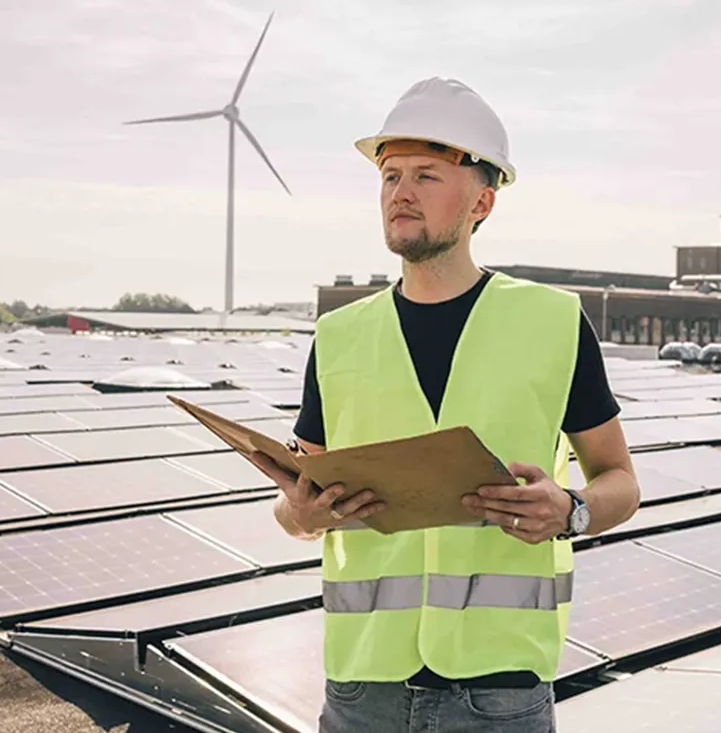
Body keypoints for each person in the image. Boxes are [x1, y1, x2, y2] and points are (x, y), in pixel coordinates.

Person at [250, 77, 640, 733]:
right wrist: (300, 511)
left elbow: (620, 482)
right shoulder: (340, 336)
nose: (400, 192)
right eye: (390, 175)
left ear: (482, 201)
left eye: (426, 176)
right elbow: (298, 507)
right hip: (361, 689)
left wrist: (569, 509)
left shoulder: (551, 322)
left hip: (498, 690)